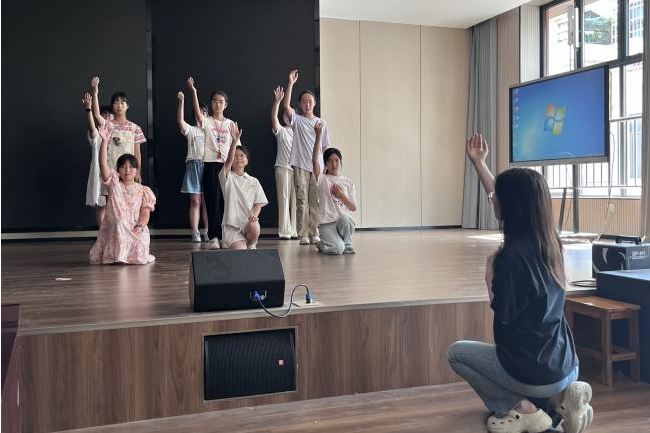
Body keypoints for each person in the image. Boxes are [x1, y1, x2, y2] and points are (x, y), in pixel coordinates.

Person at [447, 133, 593, 433]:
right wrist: (479, 163)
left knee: (457, 353)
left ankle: (523, 409)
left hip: (533, 372)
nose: (493, 200)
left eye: (497, 198)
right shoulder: (550, 243)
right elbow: (501, 195)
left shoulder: (510, 259)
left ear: (509, 206)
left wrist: (489, 277)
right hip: (567, 365)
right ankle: (562, 399)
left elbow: (504, 313)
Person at [90, 123, 156, 265]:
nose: (127, 170)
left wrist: (140, 226)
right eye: (123, 167)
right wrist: (105, 141)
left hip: (136, 226)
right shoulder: (114, 184)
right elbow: (103, 165)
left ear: (136, 170)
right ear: (118, 170)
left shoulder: (143, 190)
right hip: (117, 224)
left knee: (140, 237)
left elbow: (145, 214)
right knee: (120, 224)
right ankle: (119, 257)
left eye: (131, 167)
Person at [187, 77, 239, 249]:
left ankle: (226, 236)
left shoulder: (230, 124)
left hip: (227, 165)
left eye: (221, 102)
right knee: (212, 201)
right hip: (210, 164)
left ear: (226, 105)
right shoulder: (207, 121)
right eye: (215, 101)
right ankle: (214, 237)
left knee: (226, 202)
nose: (218, 104)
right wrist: (194, 92)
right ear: (211, 104)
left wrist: (235, 165)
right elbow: (197, 113)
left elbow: (236, 147)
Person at [282, 69, 329, 245]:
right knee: (301, 200)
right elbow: (286, 106)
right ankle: (303, 234)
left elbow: (325, 147)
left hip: (317, 167)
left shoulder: (321, 122)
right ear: (300, 104)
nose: (307, 104)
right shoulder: (298, 120)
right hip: (300, 165)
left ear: (314, 103)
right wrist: (290, 83)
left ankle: (314, 231)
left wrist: (325, 167)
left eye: (310, 101)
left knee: (315, 201)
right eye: (304, 102)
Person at [218, 122, 268, 250]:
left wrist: (255, 215)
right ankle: (234, 243)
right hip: (231, 227)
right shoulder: (226, 177)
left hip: (247, 223)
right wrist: (234, 141)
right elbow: (228, 161)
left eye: (242, 156)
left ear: (247, 160)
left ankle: (251, 243)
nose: (238, 158)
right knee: (240, 251)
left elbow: (259, 203)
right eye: (235, 156)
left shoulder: (254, 181)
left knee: (254, 226)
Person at [311, 122, 357, 255]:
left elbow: (353, 207)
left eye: (336, 160)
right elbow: (314, 160)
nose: (334, 164)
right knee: (337, 250)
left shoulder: (348, 182)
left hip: (340, 222)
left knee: (346, 219)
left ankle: (348, 245)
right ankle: (322, 244)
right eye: (330, 161)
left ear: (340, 162)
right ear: (325, 164)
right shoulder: (322, 179)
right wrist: (318, 137)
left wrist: (342, 196)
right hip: (326, 223)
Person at [90, 77, 146, 184]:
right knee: (111, 195)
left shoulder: (135, 128)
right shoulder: (108, 125)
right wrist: (95, 93)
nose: (119, 106)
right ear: (112, 106)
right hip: (110, 172)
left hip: (129, 173)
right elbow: (96, 115)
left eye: (122, 103)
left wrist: (138, 172)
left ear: (127, 106)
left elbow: (137, 153)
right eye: (116, 103)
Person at [177, 91, 209, 242]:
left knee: (207, 202)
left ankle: (208, 231)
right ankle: (195, 232)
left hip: (208, 166)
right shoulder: (190, 129)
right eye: (198, 111)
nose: (201, 114)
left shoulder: (210, 130)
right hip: (193, 166)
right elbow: (180, 120)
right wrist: (182, 102)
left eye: (204, 112)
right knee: (195, 201)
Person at [82, 93, 114, 226]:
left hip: (116, 172)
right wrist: (88, 109)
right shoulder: (97, 134)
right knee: (102, 205)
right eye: (104, 114)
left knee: (116, 204)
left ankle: (115, 233)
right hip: (101, 173)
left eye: (110, 115)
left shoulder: (120, 131)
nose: (106, 117)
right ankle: (102, 232)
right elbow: (92, 127)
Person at [271, 86, 297, 240]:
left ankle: (295, 231)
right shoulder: (281, 131)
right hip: (282, 168)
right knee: (284, 200)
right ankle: (285, 232)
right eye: (285, 114)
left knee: (296, 202)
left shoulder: (300, 132)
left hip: (298, 170)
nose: (287, 116)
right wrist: (277, 102)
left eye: (290, 114)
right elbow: (273, 118)